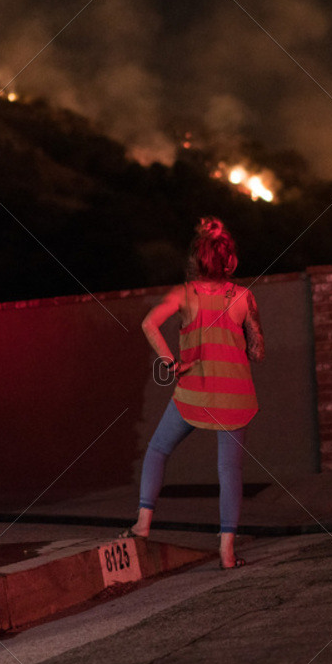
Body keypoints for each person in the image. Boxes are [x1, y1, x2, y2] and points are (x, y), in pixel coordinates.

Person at [123, 217, 265, 569]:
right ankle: (227, 553)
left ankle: (142, 524)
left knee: (157, 450)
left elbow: (148, 323)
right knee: (229, 470)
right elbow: (258, 351)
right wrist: (244, 339)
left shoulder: (184, 294)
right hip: (235, 397)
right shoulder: (244, 297)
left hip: (193, 393)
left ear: (195, 259)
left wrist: (170, 360)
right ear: (229, 261)